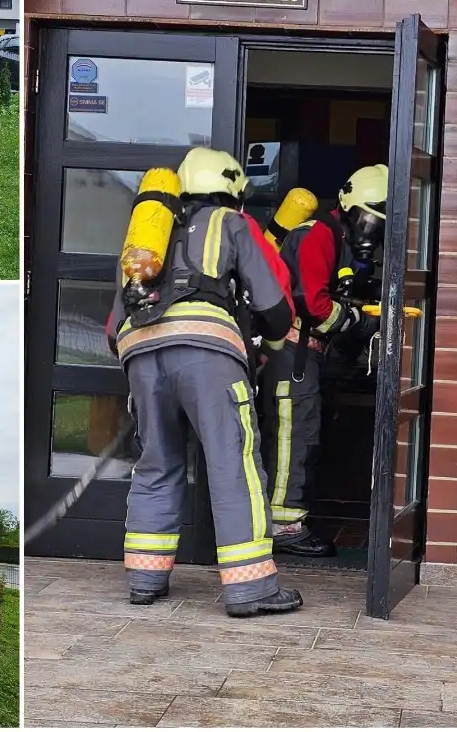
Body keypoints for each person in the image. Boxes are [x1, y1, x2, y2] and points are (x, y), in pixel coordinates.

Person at [107, 147, 303, 617]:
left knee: (156, 462)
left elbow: (113, 330)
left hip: (140, 352)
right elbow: (276, 310)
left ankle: (145, 578)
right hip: (207, 352)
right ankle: (251, 588)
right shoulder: (230, 224)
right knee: (232, 464)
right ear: (232, 192)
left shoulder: (145, 237)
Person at [260, 166, 387, 558]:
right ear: (350, 207)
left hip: (301, 356)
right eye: (370, 220)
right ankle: (283, 526)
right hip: (293, 355)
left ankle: (284, 519)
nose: (372, 231)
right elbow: (312, 304)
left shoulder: (335, 237)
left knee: (299, 434)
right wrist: (359, 320)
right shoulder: (318, 234)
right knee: (292, 437)